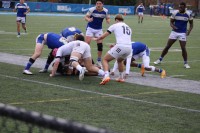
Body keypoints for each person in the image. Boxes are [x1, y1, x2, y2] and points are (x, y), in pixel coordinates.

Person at [93, 14, 132, 85]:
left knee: (105, 59)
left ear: (116, 20)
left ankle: (106, 76)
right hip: (129, 48)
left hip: (120, 47)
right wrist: (114, 44)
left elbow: (103, 36)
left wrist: (96, 38)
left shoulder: (115, 25)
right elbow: (125, 39)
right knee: (119, 60)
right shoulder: (128, 27)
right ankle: (121, 77)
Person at [154, 2, 193, 69]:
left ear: (184, 7)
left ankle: (185, 63)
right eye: (179, 7)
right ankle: (160, 59)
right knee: (167, 46)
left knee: (183, 48)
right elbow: (171, 22)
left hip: (182, 33)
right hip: (174, 32)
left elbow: (191, 24)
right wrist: (173, 27)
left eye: (181, 7)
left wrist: (189, 31)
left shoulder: (188, 14)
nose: (180, 8)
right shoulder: (175, 13)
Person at [84, 0, 110, 68]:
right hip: (90, 28)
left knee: (100, 45)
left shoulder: (106, 11)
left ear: (102, 4)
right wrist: (88, 19)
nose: (98, 5)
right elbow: (86, 17)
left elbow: (108, 18)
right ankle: (85, 59)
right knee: (86, 44)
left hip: (99, 30)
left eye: (100, 3)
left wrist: (108, 21)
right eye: (97, 3)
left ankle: (98, 61)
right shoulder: (92, 9)